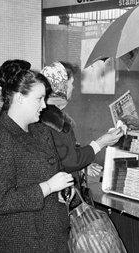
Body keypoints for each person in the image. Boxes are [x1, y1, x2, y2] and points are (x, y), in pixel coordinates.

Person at [0, 64, 74, 252]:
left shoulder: (41, 131)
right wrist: (48, 187)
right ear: (19, 98)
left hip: (53, 238)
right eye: (39, 98)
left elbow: (52, 173)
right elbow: (2, 201)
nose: (44, 105)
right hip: (23, 242)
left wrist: (63, 190)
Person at [40, 61, 123, 203]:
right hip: (58, 199)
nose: (72, 87)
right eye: (70, 83)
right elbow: (71, 160)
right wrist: (101, 142)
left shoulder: (41, 114)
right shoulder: (55, 122)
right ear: (60, 86)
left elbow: (61, 156)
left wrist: (84, 166)